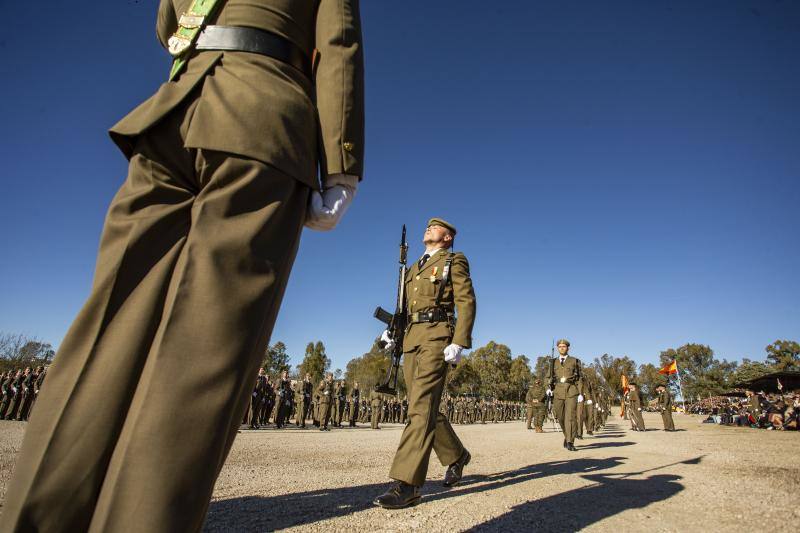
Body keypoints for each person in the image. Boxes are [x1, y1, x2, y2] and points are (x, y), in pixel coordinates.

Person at [3, 0, 364, 530]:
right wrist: (341, 165)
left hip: (174, 110)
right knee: (203, 350)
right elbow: (338, 42)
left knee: (106, 335)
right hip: (261, 112)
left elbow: (168, 24)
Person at [374, 218, 476, 509]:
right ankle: (456, 455)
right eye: (428, 226)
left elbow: (466, 301)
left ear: (447, 237)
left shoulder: (453, 260)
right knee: (421, 405)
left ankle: (407, 485)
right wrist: (390, 333)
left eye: (436, 227)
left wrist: (459, 341)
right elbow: (404, 309)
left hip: (436, 338)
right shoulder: (413, 269)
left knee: (420, 408)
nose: (429, 228)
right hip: (411, 340)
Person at [546, 339, 583, 451]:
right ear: (557, 348)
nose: (562, 348)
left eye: (564, 346)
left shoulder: (574, 361)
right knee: (561, 417)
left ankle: (570, 441)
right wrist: (547, 388)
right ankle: (567, 435)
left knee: (570, 418)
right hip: (558, 392)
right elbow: (548, 377)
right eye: (560, 346)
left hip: (571, 391)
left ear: (568, 348)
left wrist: (581, 393)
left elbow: (580, 378)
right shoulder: (553, 362)